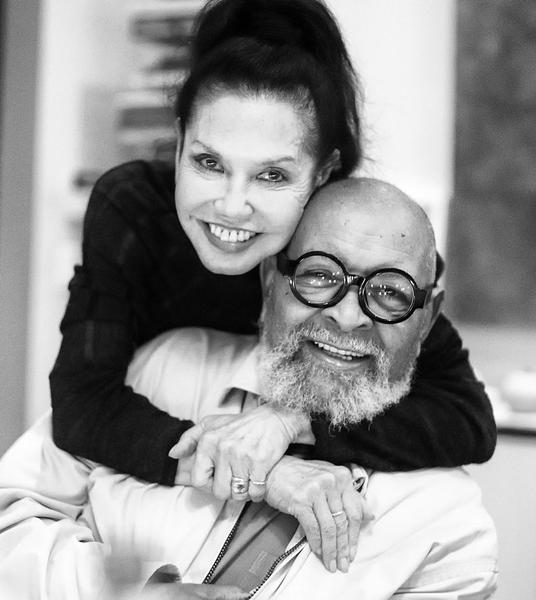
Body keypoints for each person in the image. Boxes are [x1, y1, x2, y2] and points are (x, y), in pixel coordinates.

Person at [49, 0, 495, 562]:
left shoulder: (337, 239)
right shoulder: (132, 210)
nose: (232, 206)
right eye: (209, 163)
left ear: (322, 175)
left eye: (273, 175)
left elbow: (466, 417)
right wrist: (262, 472)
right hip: (135, 504)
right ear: (180, 141)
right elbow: (82, 403)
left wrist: (294, 420)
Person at [0, 178, 497, 600]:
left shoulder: (447, 526)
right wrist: (131, 594)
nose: (348, 317)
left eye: (390, 292)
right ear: (269, 279)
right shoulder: (163, 369)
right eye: (319, 275)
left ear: (427, 317)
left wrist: (291, 420)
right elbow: (11, 529)